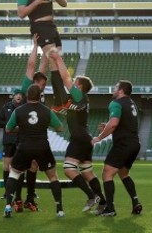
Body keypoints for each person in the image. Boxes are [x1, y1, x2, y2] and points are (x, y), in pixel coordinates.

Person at [49, 48, 106, 213]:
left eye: (75, 81)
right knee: (88, 172)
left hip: (79, 138)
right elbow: (63, 109)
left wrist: (58, 59)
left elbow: (65, 77)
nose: (72, 82)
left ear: (79, 86)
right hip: (85, 138)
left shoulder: (80, 96)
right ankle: (102, 202)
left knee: (68, 169)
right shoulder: (77, 101)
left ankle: (91, 195)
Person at [2, 84, 65, 218]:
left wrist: (22, 128)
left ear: (27, 96)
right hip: (42, 146)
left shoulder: (18, 111)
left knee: (14, 173)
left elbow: (8, 129)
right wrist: (44, 124)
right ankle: (59, 209)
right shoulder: (47, 111)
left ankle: (8, 207)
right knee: (53, 176)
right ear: (40, 96)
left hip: (24, 146)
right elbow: (60, 129)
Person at [16, 0, 71, 112]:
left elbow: (64, 3)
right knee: (54, 58)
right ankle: (63, 100)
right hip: (39, 27)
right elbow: (21, 13)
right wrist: (37, 1)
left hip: (52, 27)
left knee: (58, 62)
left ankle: (58, 102)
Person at [91, 80, 143, 217]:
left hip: (123, 144)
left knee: (107, 173)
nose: (113, 90)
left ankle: (110, 208)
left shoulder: (116, 103)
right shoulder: (132, 103)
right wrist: (108, 126)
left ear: (121, 91)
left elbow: (114, 123)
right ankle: (135, 202)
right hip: (134, 144)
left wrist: (99, 137)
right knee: (124, 173)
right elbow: (121, 123)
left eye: (115, 88)